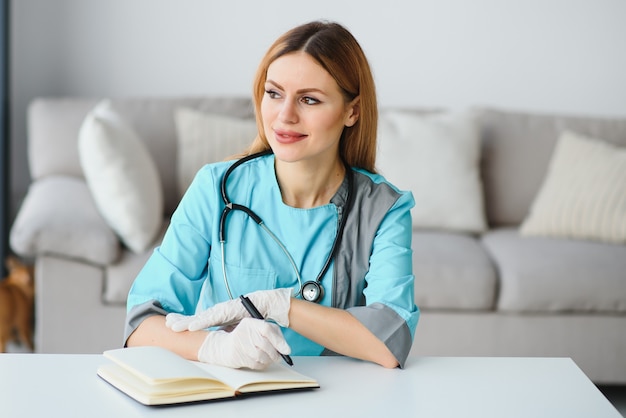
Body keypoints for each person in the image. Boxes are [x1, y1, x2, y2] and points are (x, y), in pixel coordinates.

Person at [125, 20, 419, 370]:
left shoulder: (383, 209)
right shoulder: (216, 189)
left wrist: (280, 306)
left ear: (351, 111)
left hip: (340, 394)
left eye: (309, 99)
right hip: (231, 391)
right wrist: (216, 348)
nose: (285, 116)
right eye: (274, 93)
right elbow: (141, 324)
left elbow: (390, 341)